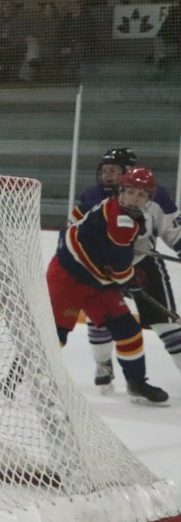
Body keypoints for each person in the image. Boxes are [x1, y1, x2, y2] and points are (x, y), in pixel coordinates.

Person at [49, 166, 169, 405]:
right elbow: (119, 269)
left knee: (128, 331)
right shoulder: (123, 222)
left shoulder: (110, 206)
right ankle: (17, 376)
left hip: (97, 283)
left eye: (141, 194)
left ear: (148, 199)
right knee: (55, 335)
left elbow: (77, 218)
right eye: (131, 192)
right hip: (67, 279)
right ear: (121, 191)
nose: (135, 198)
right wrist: (130, 279)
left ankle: (136, 383)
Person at [73, 148, 181, 396]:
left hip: (143, 263)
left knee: (165, 322)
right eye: (105, 171)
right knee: (100, 318)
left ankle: (137, 380)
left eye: (114, 171)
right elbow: (76, 233)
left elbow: (175, 231)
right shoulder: (93, 197)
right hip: (103, 267)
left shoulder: (156, 196)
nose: (107, 176)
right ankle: (103, 364)